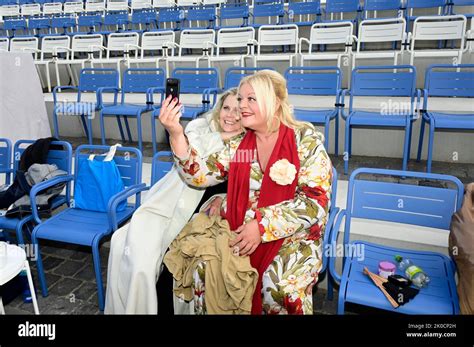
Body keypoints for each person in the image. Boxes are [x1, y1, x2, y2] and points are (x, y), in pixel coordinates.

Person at [160, 70, 333, 315]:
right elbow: (199, 175)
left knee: (278, 288)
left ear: (273, 102)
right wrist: (176, 133)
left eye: (251, 99)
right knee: (205, 268)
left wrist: (261, 226)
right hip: (243, 230)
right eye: (240, 99)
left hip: (293, 235)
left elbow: (315, 201)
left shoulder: (304, 141)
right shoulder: (242, 145)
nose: (241, 106)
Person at [104, 89, 242, 314]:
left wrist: (222, 199)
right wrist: (222, 136)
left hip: (203, 212)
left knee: (172, 264)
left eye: (238, 111)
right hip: (173, 202)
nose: (231, 116)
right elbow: (193, 152)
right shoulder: (200, 127)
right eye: (226, 108)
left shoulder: (248, 145)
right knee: (124, 246)